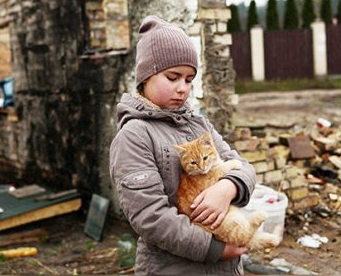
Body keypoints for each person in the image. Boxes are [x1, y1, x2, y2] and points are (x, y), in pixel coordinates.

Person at [109, 15, 257, 275]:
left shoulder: (198, 125)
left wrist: (227, 187)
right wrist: (215, 249)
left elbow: (243, 166)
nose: (183, 89)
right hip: (173, 268)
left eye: (189, 80)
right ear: (145, 77)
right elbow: (151, 216)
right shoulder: (134, 136)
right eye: (172, 77)